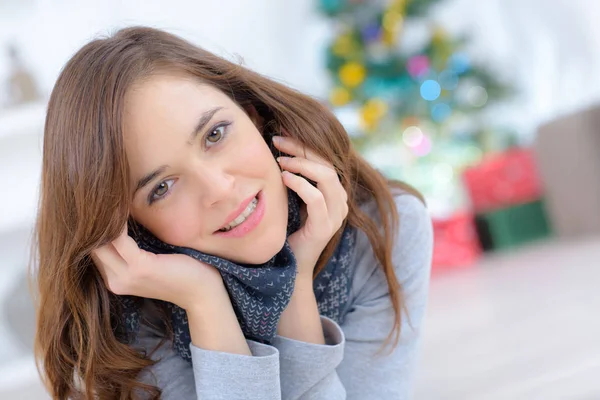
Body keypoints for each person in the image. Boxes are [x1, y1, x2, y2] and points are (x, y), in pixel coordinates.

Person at [32, 26, 433, 400]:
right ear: (129, 226)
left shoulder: (384, 229)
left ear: (252, 113)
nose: (220, 190)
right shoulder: (131, 312)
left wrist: (296, 278)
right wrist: (204, 301)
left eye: (215, 134)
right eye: (162, 188)